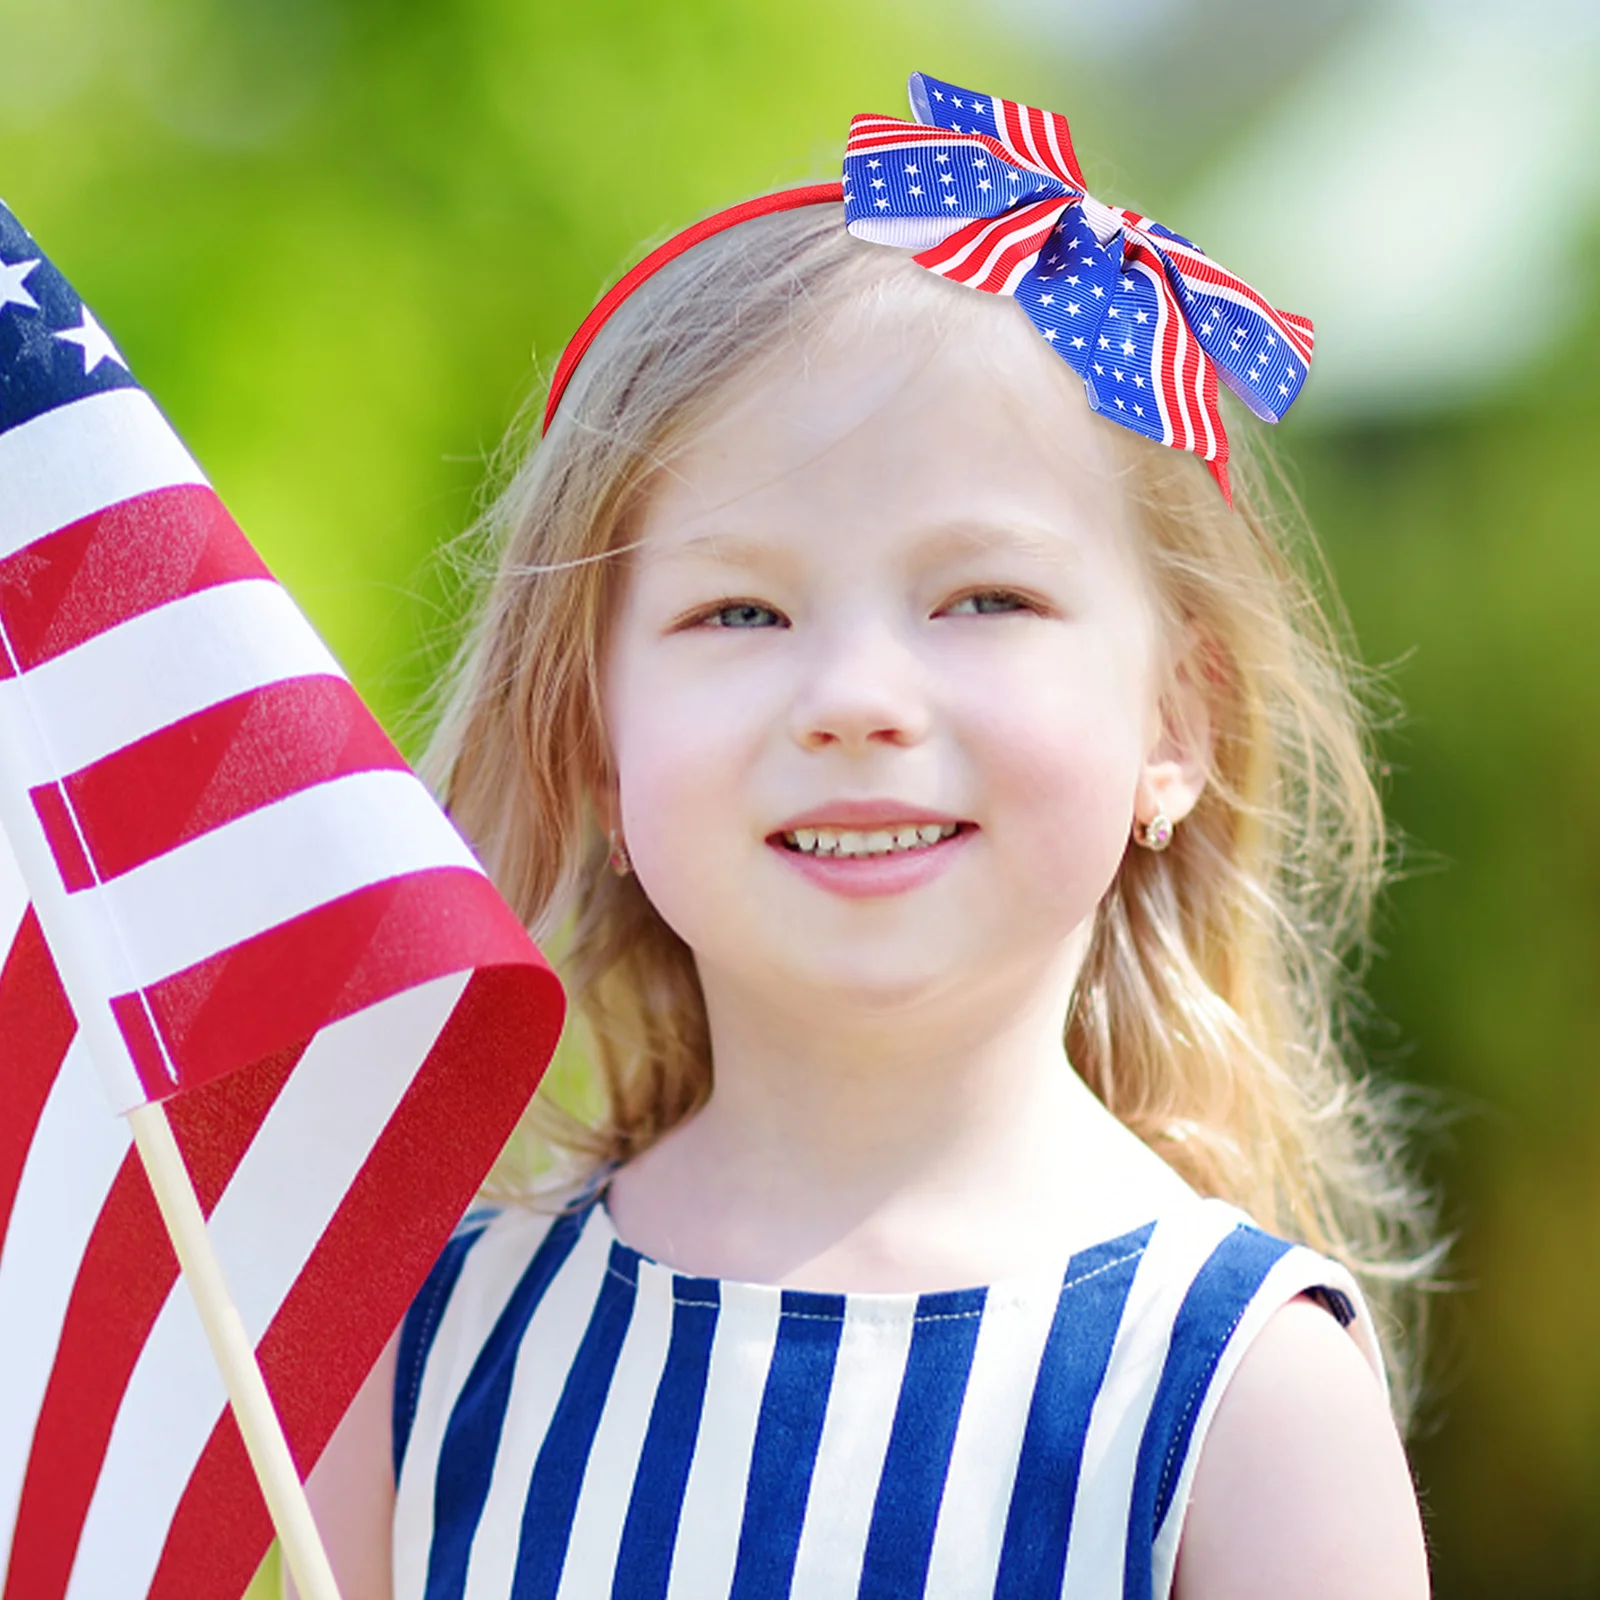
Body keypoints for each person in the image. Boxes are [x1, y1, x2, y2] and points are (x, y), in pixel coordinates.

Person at [294, 74, 1435, 1600]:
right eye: (739, 611)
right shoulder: (430, 1357)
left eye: (985, 598)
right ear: (594, 742)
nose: (853, 700)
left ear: (1177, 724)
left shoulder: (1241, 1400)